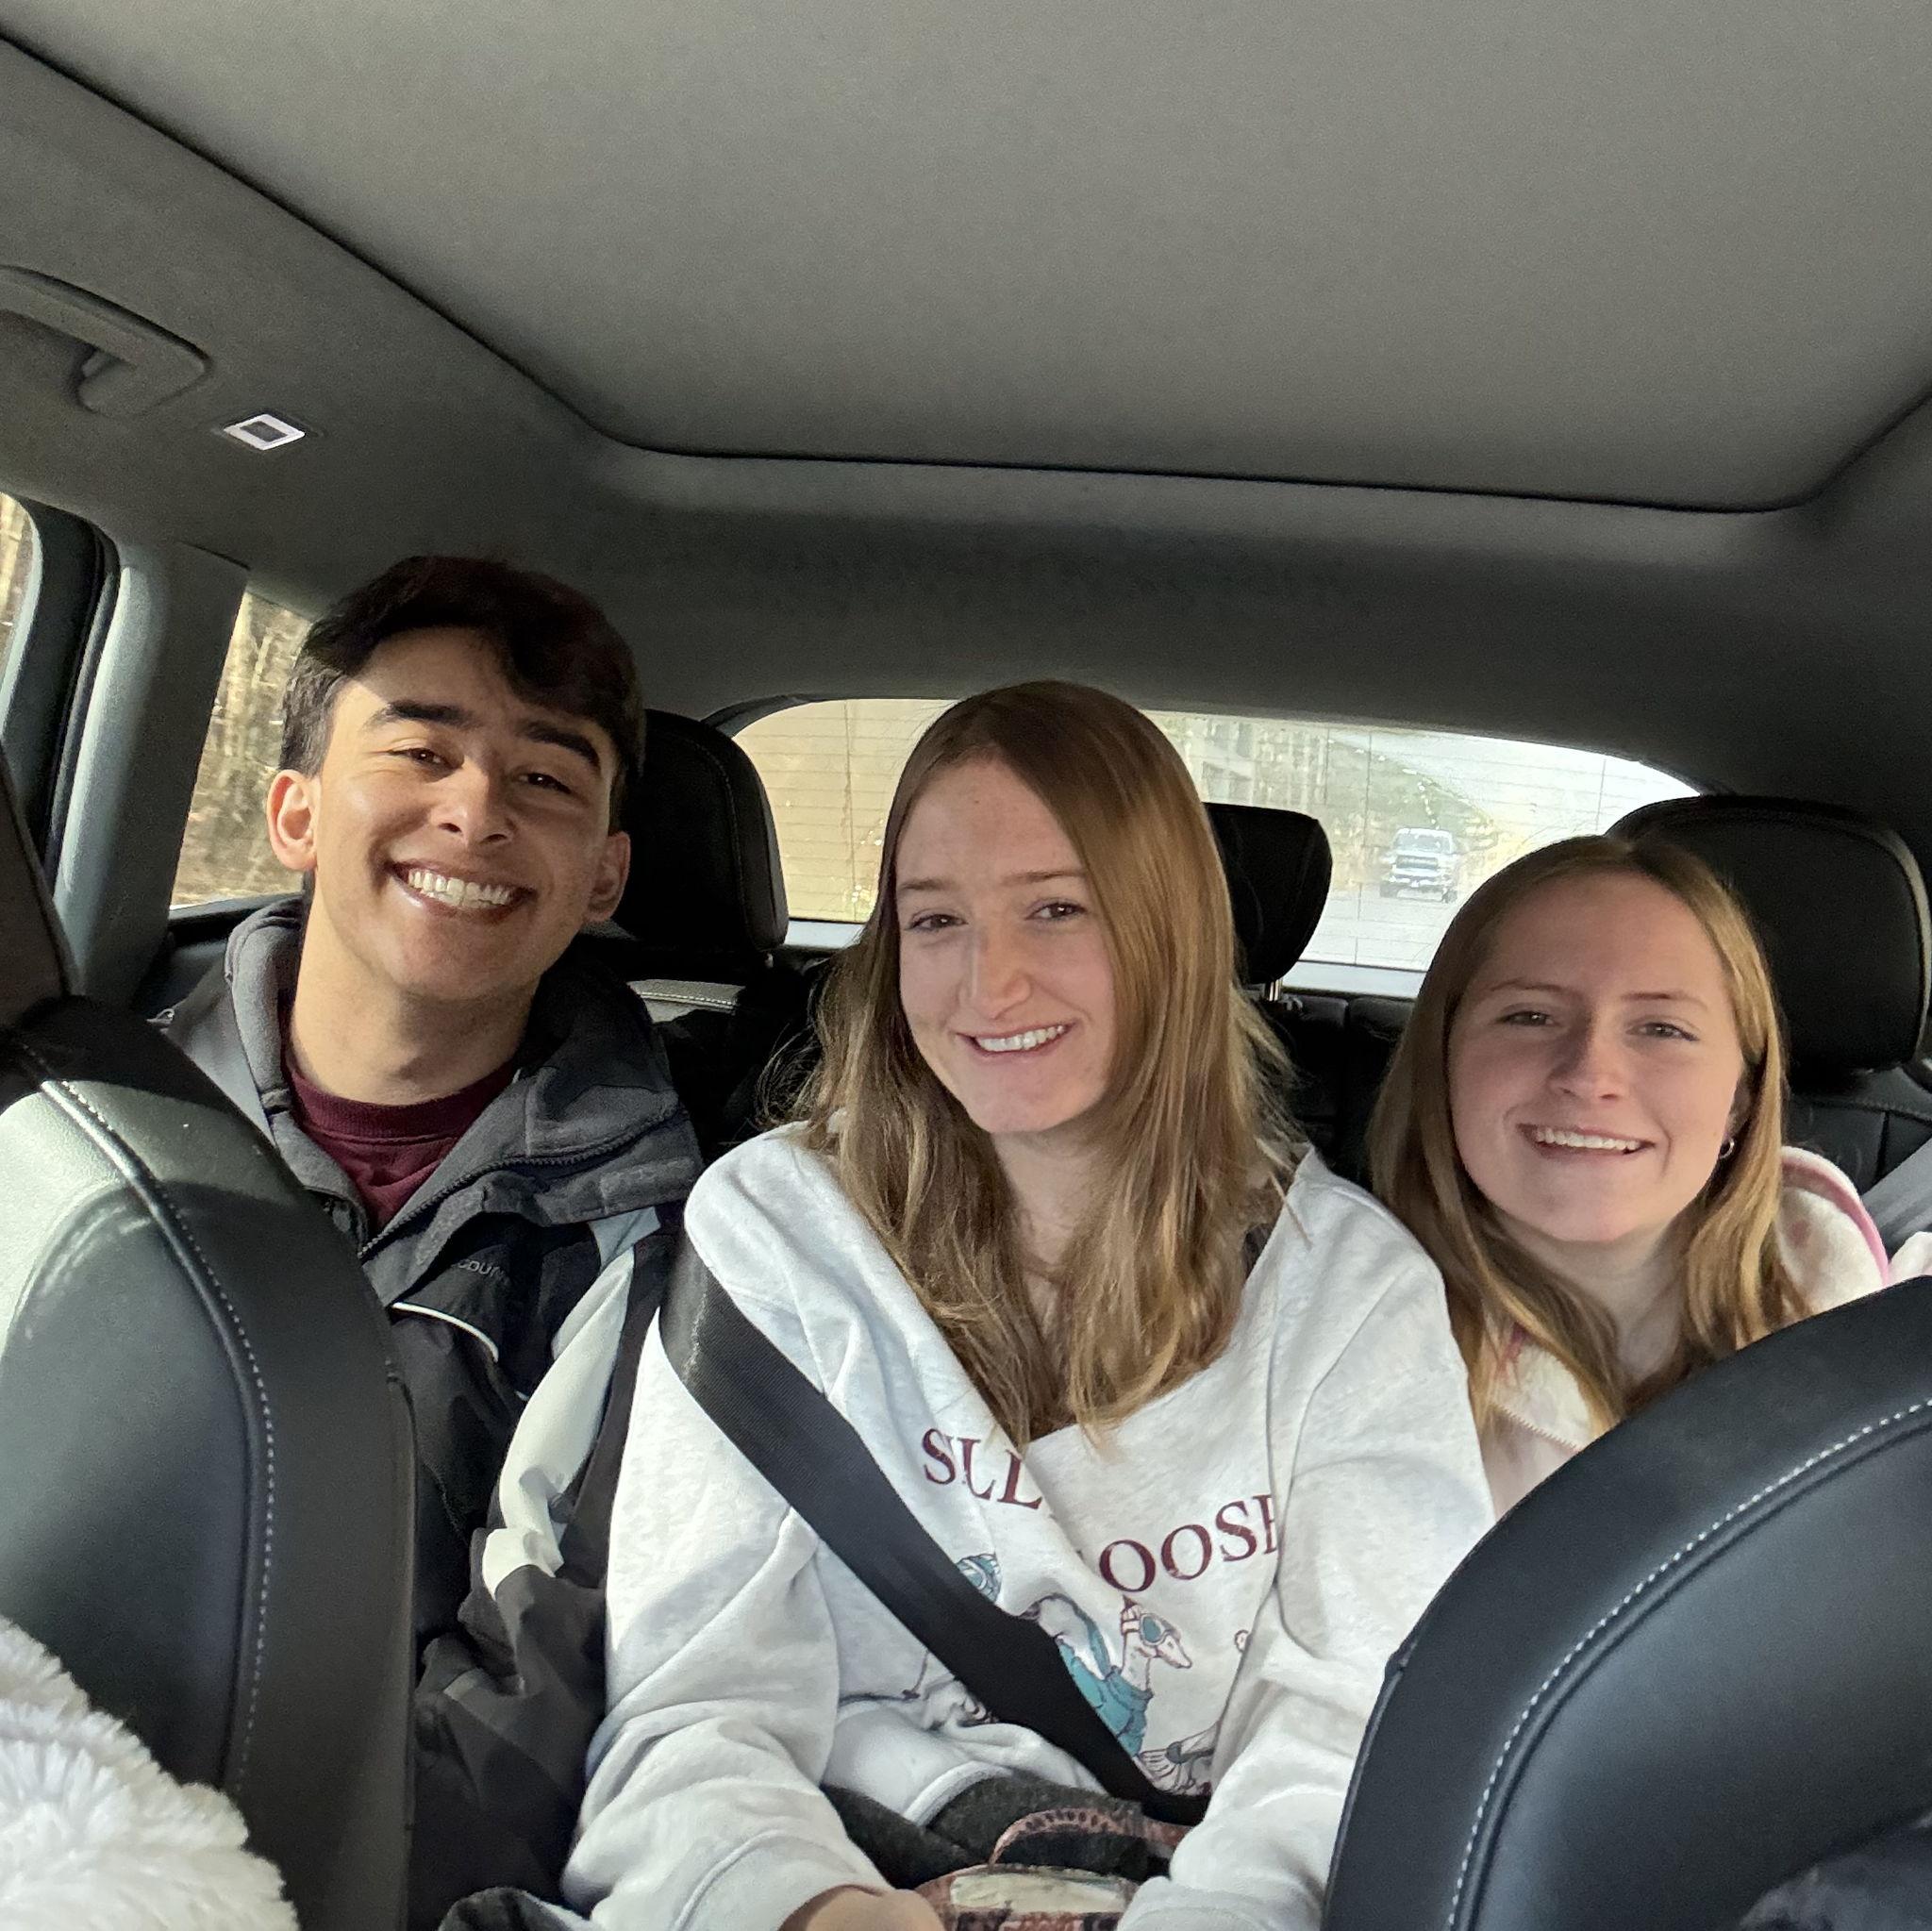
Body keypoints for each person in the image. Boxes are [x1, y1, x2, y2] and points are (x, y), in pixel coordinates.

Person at [560, 682, 1493, 1931]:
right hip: (848, 1861)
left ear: (1169, 928)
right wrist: (815, 1908)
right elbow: (696, 1698)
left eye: (1058, 908)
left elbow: (1348, 1728)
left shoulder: (1351, 1293)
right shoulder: (778, 1233)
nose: (990, 981)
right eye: (935, 919)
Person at [161, 555, 702, 1920]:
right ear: (293, 808)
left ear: (603, 874)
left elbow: (537, 1674)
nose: (472, 812)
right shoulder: (98, 1127)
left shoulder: (652, 1237)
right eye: (419, 750)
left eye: (545, 780)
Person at [1369, 833, 1893, 1514]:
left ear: (1740, 1096)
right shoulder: (1344, 1344)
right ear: (1442, 1064)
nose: (1589, 1073)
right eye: (1530, 1015)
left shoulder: (1861, 1310)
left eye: (1661, 1028)